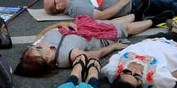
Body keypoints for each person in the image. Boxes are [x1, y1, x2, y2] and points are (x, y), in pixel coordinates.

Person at [14, 16, 153, 77]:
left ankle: (137, 13)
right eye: (38, 49)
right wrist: (114, 46)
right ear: (48, 59)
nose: (38, 45)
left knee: (111, 22)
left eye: (33, 47)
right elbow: (96, 55)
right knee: (125, 28)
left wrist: (59, 24)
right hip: (100, 37)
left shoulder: (40, 43)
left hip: (87, 27)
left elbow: (41, 34)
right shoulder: (70, 56)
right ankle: (154, 20)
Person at [101, 37, 177, 88]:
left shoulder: (113, 69)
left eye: (127, 72)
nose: (134, 70)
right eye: (136, 76)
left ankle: (175, 30)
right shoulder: (156, 78)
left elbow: (101, 69)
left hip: (152, 40)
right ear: (140, 83)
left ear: (118, 74)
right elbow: (175, 77)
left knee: (172, 32)